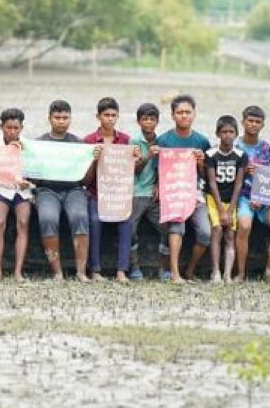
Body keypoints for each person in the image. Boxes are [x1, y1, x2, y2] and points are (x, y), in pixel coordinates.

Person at [31, 99, 92, 282]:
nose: (61, 121)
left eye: (65, 117)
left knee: (80, 217)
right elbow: (33, 178)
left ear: (70, 119)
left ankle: (81, 271)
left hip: (74, 189)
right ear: (49, 118)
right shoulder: (38, 144)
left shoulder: (78, 144)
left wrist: (94, 160)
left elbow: (85, 180)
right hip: (47, 189)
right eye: (57, 117)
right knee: (48, 218)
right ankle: (57, 272)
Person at [154, 94, 211, 284]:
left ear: (194, 114)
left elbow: (205, 176)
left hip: (194, 193)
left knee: (205, 233)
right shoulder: (163, 140)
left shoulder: (202, 142)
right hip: (173, 193)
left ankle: (190, 270)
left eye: (188, 112)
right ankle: (175, 273)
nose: (184, 116)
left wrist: (201, 162)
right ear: (172, 115)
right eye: (180, 112)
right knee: (177, 226)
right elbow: (158, 171)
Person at [83, 97, 137, 282]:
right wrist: (94, 160)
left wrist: (136, 159)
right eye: (106, 115)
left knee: (126, 224)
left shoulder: (125, 140)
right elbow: (84, 178)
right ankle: (95, 270)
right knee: (94, 222)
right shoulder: (89, 141)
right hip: (96, 193)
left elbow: (131, 171)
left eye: (114, 115)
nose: (110, 119)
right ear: (98, 116)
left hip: (119, 195)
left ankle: (122, 270)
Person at [233, 106, 270, 283]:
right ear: (243, 122)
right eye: (250, 121)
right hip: (244, 197)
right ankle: (240, 273)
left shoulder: (267, 148)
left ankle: (269, 271)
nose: (253, 125)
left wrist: (264, 198)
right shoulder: (235, 146)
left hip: (266, 198)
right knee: (245, 226)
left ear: (263, 125)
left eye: (257, 122)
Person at [0, 108, 33, 283]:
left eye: (16, 128)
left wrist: (26, 181)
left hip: (21, 190)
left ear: (21, 128)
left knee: (23, 223)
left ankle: (18, 271)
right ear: (1, 127)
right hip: (1, 188)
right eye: (9, 128)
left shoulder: (28, 146)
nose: (12, 132)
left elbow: (34, 170)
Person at [204, 115, 248, 283]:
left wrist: (229, 210)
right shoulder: (211, 154)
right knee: (217, 230)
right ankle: (215, 271)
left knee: (230, 233)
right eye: (224, 132)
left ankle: (228, 274)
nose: (227, 135)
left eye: (231, 132)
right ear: (217, 133)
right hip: (214, 199)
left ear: (236, 134)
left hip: (232, 199)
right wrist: (221, 210)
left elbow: (238, 184)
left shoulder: (241, 155)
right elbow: (212, 182)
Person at [127, 103, 166, 281]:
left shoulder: (162, 142)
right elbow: (134, 169)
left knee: (167, 229)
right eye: (145, 119)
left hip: (154, 193)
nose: (149, 122)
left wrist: (158, 184)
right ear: (138, 121)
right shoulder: (134, 142)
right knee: (130, 229)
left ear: (157, 122)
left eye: (152, 119)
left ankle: (162, 268)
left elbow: (166, 168)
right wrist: (148, 155)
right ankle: (135, 267)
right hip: (137, 192)